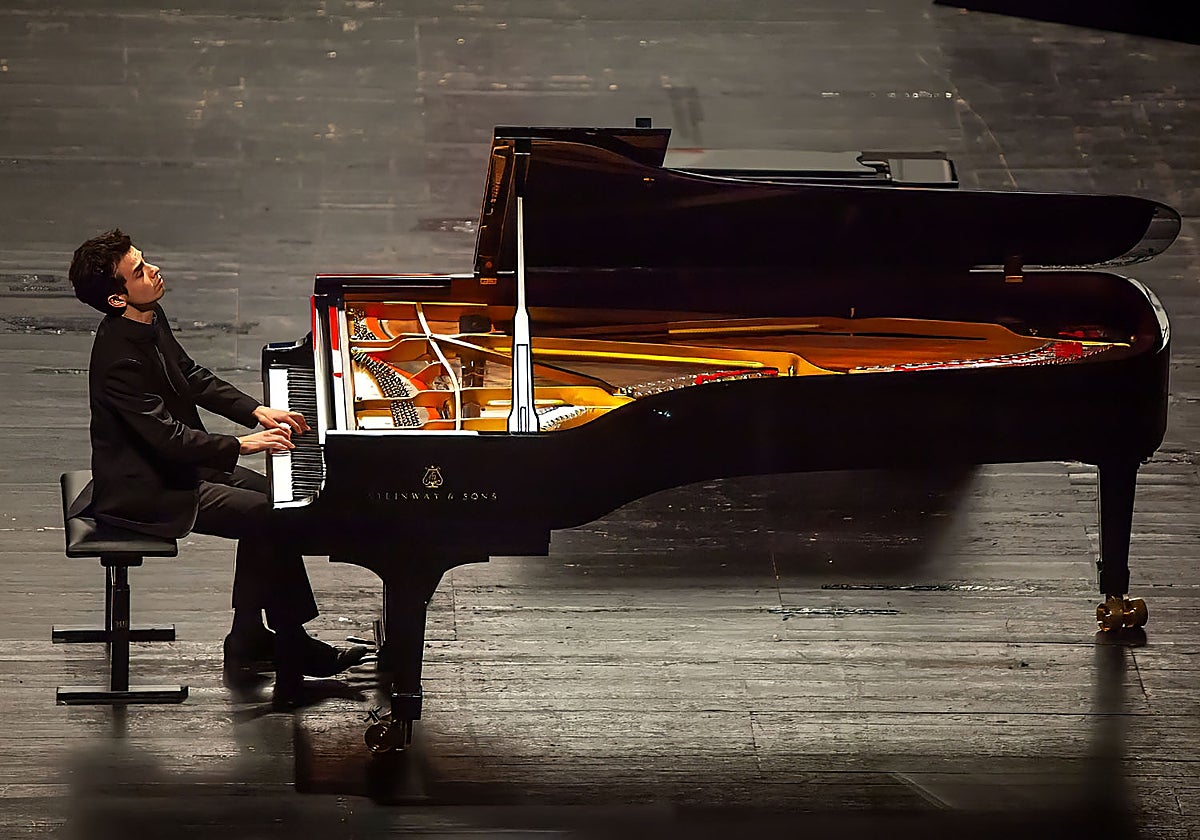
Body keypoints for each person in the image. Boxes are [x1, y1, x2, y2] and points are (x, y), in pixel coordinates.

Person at [68, 228, 366, 700]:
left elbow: (190, 376)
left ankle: (250, 638)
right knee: (273, 517)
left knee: (279, 503)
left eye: (146, 261)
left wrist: (255, 411)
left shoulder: (147, 316)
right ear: (115, 297)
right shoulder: (118, 359)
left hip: (179, 466)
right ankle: (288, 645)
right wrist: (246, 445)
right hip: (146, 488)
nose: (154, 271)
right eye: (140, 271)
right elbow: (166, 439)